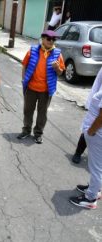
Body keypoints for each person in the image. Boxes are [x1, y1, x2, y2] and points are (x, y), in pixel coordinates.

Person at [17, 30, 65, 144]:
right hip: (31, 88)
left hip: (46, 91)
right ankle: (26, 130)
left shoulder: (58, 54)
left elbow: (60, 73)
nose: (51, 41)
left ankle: (38, 133)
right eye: (49, 39)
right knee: (28, 111)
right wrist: (24, 79)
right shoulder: (33, 50)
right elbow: (24, 65)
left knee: (42, 114)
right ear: (43, 39)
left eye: (54, 39)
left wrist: (57, 68)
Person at [69, 67, 102, 209]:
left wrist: (90, 131)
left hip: (98, 132)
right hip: (97, 131)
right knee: (99, 165)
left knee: (96, 167)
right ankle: (96, 189)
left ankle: (90, 198)